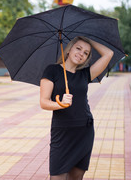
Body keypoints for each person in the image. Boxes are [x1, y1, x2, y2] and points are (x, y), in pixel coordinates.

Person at [40, 36, 114, 180]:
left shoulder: (85, 74)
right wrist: (60, 104)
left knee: (76, 177)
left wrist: (88, 39)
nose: (81, 53)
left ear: (86, 59)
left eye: (86, 53)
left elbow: (108, 54)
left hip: (84, 130)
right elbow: (43, 102)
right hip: (62, 132)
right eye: (78, 48)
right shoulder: (52, 70)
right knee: (57, 177)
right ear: (69, 50)